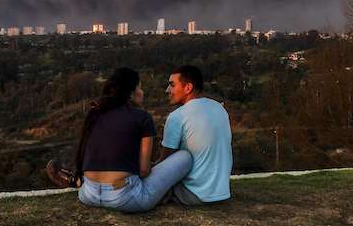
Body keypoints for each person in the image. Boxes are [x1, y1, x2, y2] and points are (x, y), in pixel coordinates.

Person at [47, 67, 192, 213]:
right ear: (131, 94)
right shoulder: (143, 118)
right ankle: (164, 194)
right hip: (125, 198)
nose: (143, 92)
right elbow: (143, 171)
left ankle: (77, 181)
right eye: (140, 88)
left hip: (88, 196)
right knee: (185, 157)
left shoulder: (95, 113)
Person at [155, 64, 233, 205]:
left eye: (172, 85)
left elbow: (163, 164)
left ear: (188, 88)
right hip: (221, 193)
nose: (167, 90)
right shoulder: (219, 107)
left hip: (194, 195)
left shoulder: (177, 116)